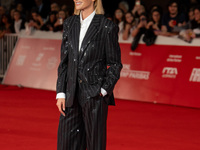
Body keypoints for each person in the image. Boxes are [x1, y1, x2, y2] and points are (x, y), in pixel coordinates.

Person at [56, 0, 122, 149]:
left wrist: (103, 90)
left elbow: (115, 64)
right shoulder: (69, 23)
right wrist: (61, 93)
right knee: (65, 144)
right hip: (70, 95)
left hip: (94, 96)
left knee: (95, 145)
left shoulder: (107, 27)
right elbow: (64, 62)